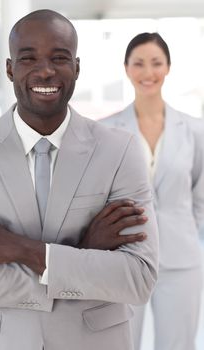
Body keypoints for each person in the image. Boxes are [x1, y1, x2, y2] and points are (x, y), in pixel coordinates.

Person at [0, 10, 159, 350]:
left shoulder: (121, 149)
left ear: (77, 68)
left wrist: (21, 250)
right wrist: (80, 255)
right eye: (29, 58)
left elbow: (137, 278)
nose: (45, 70)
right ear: (10, 68)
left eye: (59, 57)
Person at [101, 32, 204, 350]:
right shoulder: (106, 131)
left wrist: (192, 238)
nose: (148, 73)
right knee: (121, 341)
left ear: (168, 68)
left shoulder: (194, 130)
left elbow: (200, 196)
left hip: (181, 259)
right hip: (127, 257)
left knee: (178, 343)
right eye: (139, 64)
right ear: (127, 68)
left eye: (156, 63)